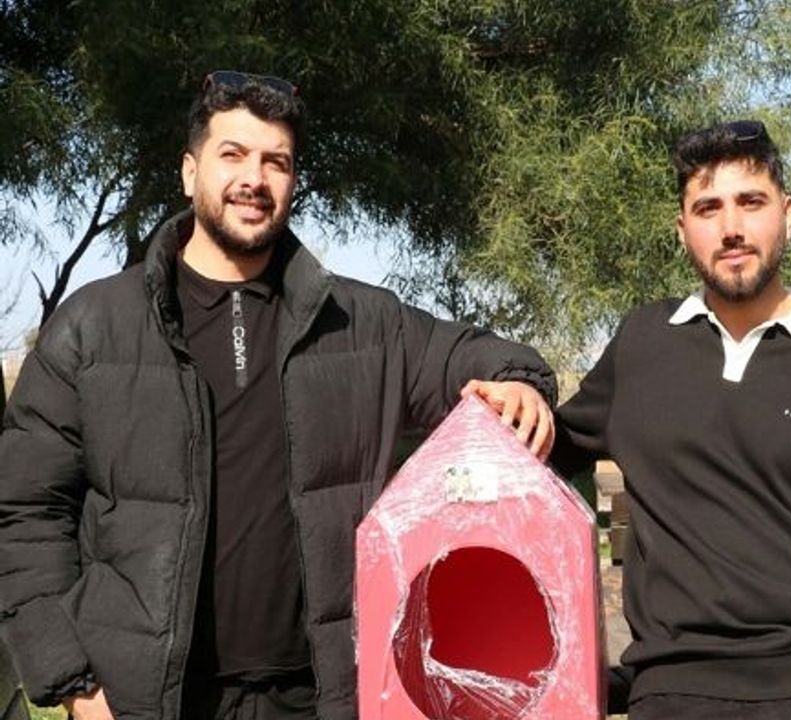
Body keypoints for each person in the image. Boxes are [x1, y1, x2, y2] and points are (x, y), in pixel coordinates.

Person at [0, 71, 557, 720]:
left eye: (276, 162)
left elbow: (478, 355)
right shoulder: (95, 326)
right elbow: (24, 512)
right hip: (146, 702)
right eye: (233, 154)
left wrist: (518, 382)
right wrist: (74, 681)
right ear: (189, 172)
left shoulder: (362, 323)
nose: (254, 179)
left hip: (319, 698)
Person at [552, 120, 791, 720]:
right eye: (708, 207)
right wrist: (512, 383)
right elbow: (542, 452)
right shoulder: (642, 346)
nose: (731, 227)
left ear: (788, 214)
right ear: (682, 230)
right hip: (670, 697)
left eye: (751, 202)